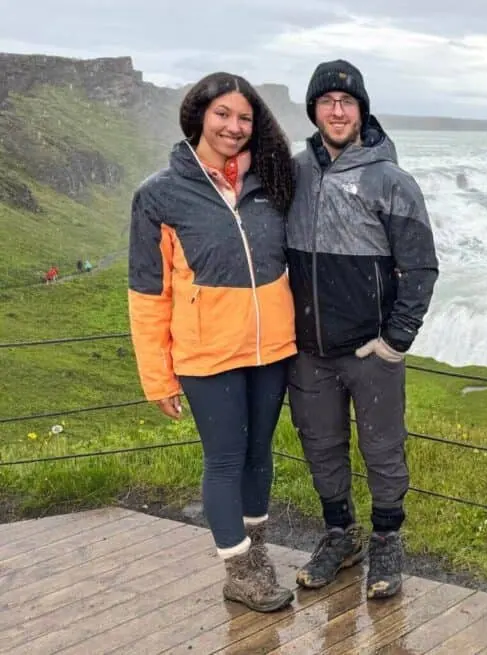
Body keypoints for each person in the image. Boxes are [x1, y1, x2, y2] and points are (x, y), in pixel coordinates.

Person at [127, 72, 298, 612]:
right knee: (224, 460)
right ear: (199, 115)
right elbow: (147, 292)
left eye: (244, 117)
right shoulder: (160, 194)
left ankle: (257, 552)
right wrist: (158, 375)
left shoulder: (272, 182)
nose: (234, 126)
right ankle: (239, 569)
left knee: (259, 456)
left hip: (272, 348)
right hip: (206, 355)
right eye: (223, 114)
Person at [285, 59, 438, 599]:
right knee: (321, 448)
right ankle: (339, 536)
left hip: (370, 351)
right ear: (313, 110)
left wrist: (396, 342)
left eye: (347, 101)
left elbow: (421, 268)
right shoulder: (294, 173)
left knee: (382, 449)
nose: (337, 109)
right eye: (327, 100)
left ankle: (388, 540)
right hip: (308, 352)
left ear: (362, 110)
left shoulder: (391, 180)